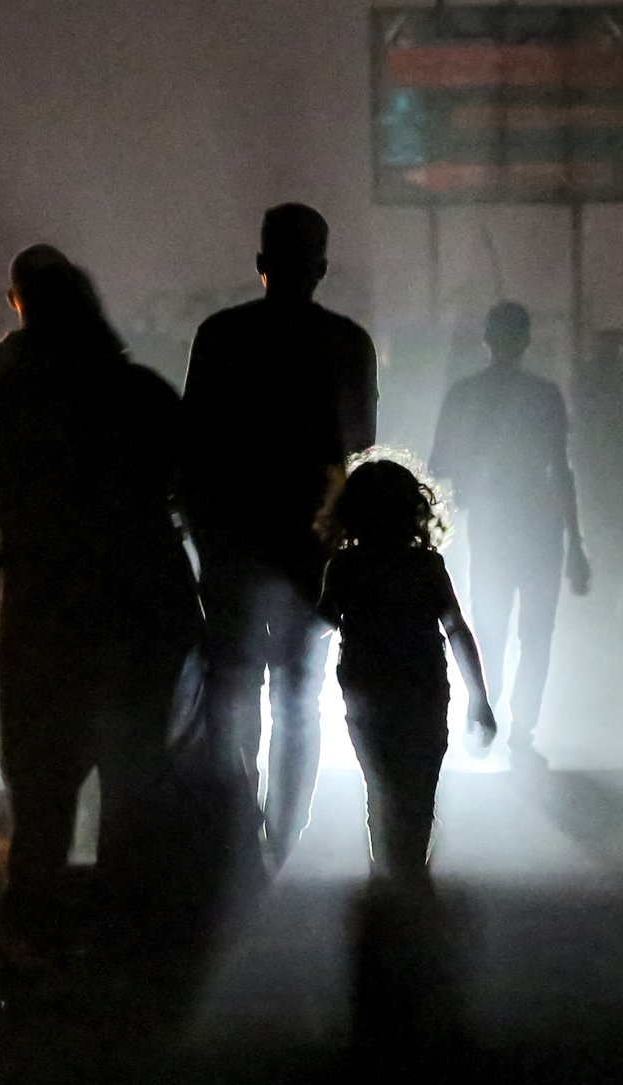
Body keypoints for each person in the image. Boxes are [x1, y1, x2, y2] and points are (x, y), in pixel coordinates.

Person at [0, 245, 201, 930]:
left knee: (40, 764)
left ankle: (35, 897)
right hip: (140, 602)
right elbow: (196, 492)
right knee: (133, 761)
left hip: (40, 604)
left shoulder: (6, 397)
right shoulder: (141, 393)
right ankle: (125, 901)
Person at [180, 203, 379, 866]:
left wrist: (207, 535)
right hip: (311, 552)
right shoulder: (349, 344)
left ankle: (237, 829)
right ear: (321, 269)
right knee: (300, 694)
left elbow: (193, 450)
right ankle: (282, 840)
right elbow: (357, 453)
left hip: (233, 545)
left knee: (235, 687)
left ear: (260, 263)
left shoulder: (220, 337)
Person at [318, 456, 495, 881]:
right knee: (419, 784)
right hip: (425, 692)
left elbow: (319, 625)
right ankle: (411, 865)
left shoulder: (346, 567)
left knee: (380, 785)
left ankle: (388, 869)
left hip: (367, 694)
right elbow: (456, 630)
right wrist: (479, 698)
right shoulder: (426, 566)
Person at [429, 301, 589, 769]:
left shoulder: (465, 394)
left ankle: (485, 715)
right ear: (527, 340)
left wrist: (471, 481)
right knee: (535, 633)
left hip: (493, 526)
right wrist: (575, 543)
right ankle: (520, 730)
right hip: (539, 528)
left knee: (489, 627)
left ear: (487, 338)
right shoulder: (544, 396)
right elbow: (562, 470)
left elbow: (440, 464)